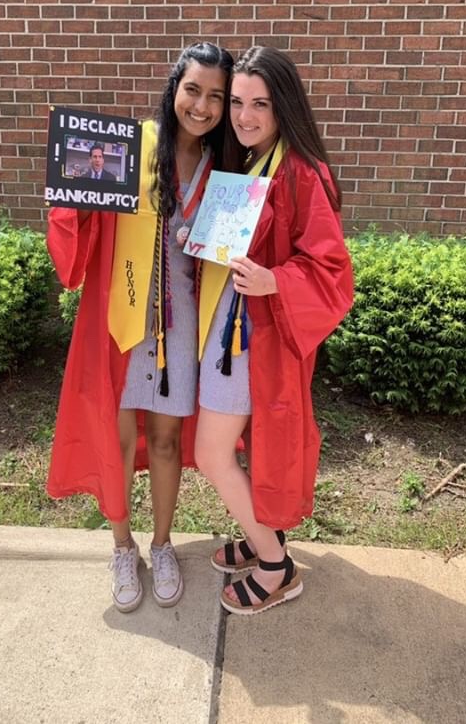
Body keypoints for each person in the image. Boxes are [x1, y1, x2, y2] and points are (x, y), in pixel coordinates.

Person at [46, 42, 234, 612]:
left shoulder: (222, 169)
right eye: (193, 89)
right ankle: (123, 546)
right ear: (174, 87)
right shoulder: (132, 148)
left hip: (180, 323)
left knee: (167, 438)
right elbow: (74, 215)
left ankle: (162, 542)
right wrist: (74, 198)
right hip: (121, 316)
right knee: (121, 436)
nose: (201, 105)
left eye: (216, 97)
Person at [194, 46, 354, 615]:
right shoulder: (249, 162)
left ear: (284, 106)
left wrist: (274, 281)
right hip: (230, 330)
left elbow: (332, 271)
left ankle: (275, 566)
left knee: (211, 452)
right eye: (237, 102)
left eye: (259, 104)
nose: (244, 116)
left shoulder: (301, 172)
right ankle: (267, 534)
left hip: (258, 337)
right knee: (241, 447)